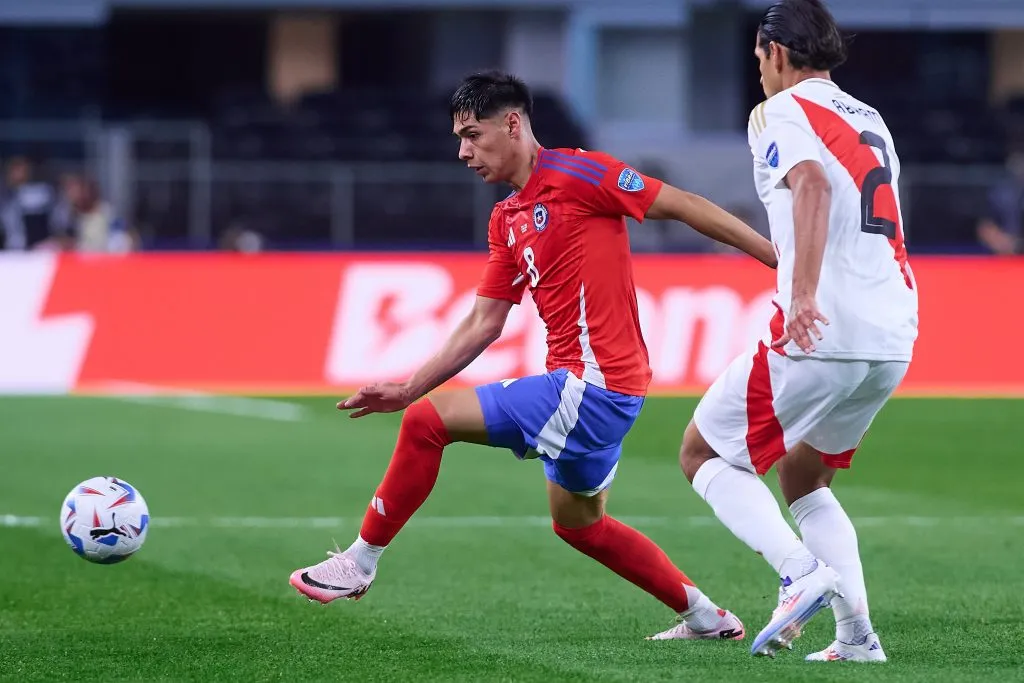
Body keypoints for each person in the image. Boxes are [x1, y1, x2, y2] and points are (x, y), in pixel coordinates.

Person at [289, 71, 777, 641]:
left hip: (593, 387)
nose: (463, 152)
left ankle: (360, 561)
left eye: (473, 135)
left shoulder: (580, 173)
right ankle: (706, 617)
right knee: (580, 526)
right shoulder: (507, 218)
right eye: (459, 139)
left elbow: (684, 204)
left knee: (427, 422)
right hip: (595, 390)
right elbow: (485, 322)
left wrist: (778, 260)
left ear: (513, 124)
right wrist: (406, 386)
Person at [676, 0, 917, 662]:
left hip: (823, 327)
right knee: (804, 476)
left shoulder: (779, 110)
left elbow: (811, 185)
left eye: (758, 58)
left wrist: (803, 291)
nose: (758, 72)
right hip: (893, 329)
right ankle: (857, 636)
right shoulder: (869, 117)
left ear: (776, 52)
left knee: (703, 453)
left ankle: (799, 573)